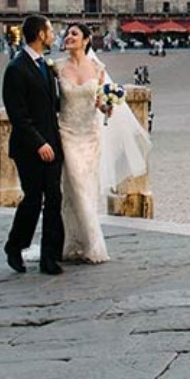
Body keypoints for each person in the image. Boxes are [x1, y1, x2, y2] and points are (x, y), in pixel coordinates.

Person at [57, 22, 152, 265]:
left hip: (90, 135)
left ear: (86, 40)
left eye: (74, 34)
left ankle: (82, 242)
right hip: (67, 132)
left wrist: (107, 107)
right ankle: (84, 242)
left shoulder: (98, 68)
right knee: (72, 187)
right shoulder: (56, 67)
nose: (69, 37)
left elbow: (99, 102)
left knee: (87, 187)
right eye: (67, 34)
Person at [3, 14, 65, 275]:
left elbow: (53, 106)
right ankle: (14, 246)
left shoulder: (45, 65)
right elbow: (17, 114)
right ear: (40, 34)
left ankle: (49, 257)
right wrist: (39, 143)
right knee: (33, 199)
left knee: (54, 198)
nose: (53, 34)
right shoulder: (16, 69)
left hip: (53, 143)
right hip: (29, 148)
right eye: (50, 30)